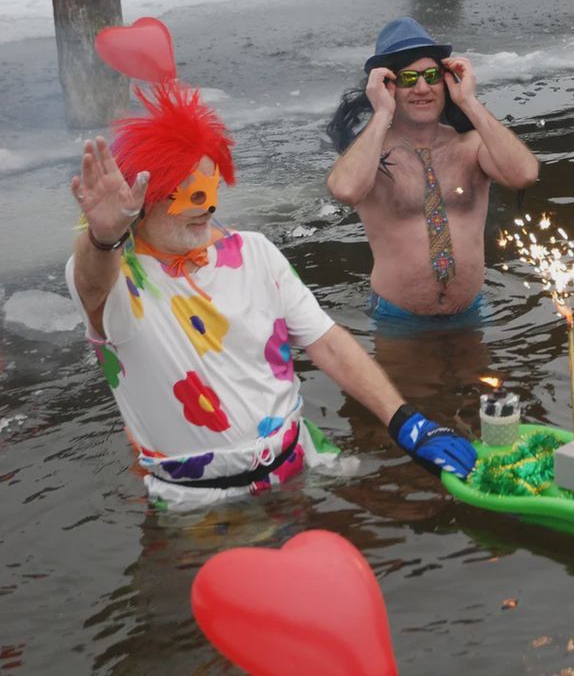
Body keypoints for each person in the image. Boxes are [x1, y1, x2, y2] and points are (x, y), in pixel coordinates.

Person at [66, 81, 476, 506]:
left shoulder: (254, 253)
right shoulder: (117, 279)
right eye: (189, 194)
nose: (208, 207)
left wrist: (407, 423)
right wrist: (104, 236)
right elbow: (91, 280)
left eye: (211, 187)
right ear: (144, 200)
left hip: (299, 468)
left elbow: (329, 344)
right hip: (195, 506)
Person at [326, 17, 539, 325]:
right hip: (397, 318)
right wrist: (381, 113)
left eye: (431, 76)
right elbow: (346, 190)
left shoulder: (471, 145)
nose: (422, 88)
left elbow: (524, 173)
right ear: (387, 86)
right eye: (408, 79)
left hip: (471, 311)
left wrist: (468, 101)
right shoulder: (370, 153)